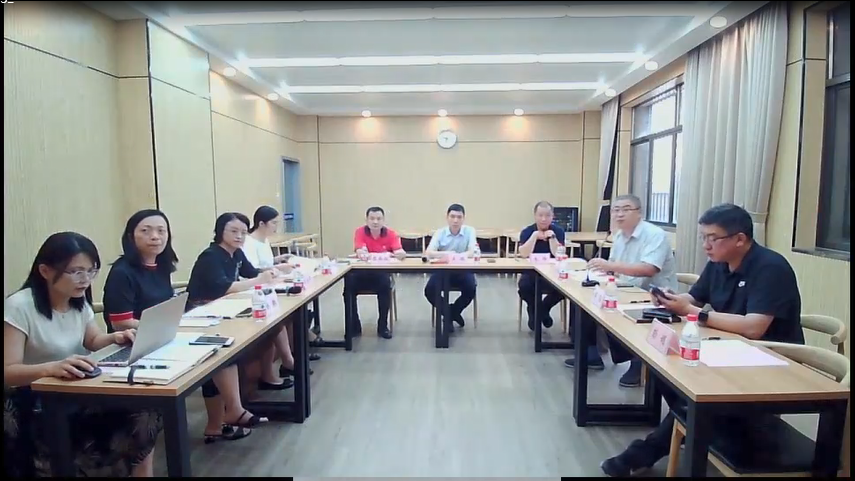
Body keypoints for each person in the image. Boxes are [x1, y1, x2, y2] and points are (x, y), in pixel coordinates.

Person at [600, 204, 804, 477]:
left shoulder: (770, 267)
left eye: (712, 238)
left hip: (769, 363)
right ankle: (703, 425)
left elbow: (754, 327)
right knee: (665, 368)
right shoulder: (718, 263)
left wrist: (696, 313)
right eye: (703, 237)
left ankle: (649, 450)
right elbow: (694, 299)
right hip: (728, 349)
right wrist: (672, 301)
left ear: (739, 239)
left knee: (695, 397)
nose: (706, 245)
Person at [3, 232, 162, 477]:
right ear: (45, 271)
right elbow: (8, 371)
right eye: (76, 272)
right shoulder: (19, 307)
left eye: (91, 271)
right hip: (34, 398)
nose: (85, 279)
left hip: (74, 388)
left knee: (146, 410)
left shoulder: (77, 300)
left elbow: (92, 340)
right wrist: (50, 368)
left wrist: (115, 338)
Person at [101, 209, 267, 444]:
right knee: (211, 353)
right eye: (146, 231)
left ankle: (225, 417)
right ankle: (229, 414)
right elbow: (120, 322)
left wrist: (172, 324)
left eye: (161, 231)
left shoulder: (161, 267)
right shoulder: (122, 272)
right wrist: (167, 327)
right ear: (130, 236)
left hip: (162, 336)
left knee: (219, 348)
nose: (155, 236)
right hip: (134, 345)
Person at [186, 213, 300, 430]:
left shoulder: (236, 253)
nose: (239, 236)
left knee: (272, 323)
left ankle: (277, 368)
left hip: (225, 309)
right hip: (202, 313)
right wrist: (258, 280)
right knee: (230, 350)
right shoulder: (211, 256)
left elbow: (251, 273)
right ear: (220, 232)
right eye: (234, 231)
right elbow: (226, 287)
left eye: (243, 232)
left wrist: (274, 270)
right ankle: (236, 405)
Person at [566, 194, 678, 384]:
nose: (619, 214)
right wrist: (601, 272)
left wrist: (610, 267)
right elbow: (614, 267)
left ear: (639, 213)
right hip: (625, 290)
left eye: (626, 209)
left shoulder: (655, 235)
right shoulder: (619, 236)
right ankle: (591, 355)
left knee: (614, 313)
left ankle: (638, 363)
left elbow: (649, 268)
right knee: (584, 303)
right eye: (616, 210)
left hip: (653, 297)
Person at [345, 206, 406, 340]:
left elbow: (400, 252)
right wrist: (362, 253)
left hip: (381, 273)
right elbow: (359, 250)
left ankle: (382, 325)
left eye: (378, 219)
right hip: (362, 273)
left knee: (385, 285)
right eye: (372, 218)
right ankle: (354, 325)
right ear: (366, 220)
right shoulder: (360, 232)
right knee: (348, 286)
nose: (375, 222)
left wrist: (399, 253)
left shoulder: (390, 233)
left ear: (383, 220)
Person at [424, 203, 478, 331]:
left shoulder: (470, 231)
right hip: (442, 270)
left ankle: (451, 313)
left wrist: (457, 257)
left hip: (462, 270)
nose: (455, 220)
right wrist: (447, 254)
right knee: (429, 290)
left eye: (459, 217)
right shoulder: (440, 232)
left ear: (463, 218)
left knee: (471, 288)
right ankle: (450, 314)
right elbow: (429, 252)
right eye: (452, 216)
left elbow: (472, 252)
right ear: (447, 217)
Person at [518, 201, 566, 330]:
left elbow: (558, 254)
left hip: (553, 272)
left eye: (547, 215)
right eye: (540, 215)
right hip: (531, 272)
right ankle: (536, 311)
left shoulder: (558, 231)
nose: (544, 219)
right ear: (535, 216)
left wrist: (552, 238)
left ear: (552, 216)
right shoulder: (527, 231)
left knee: (565, 289)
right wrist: (534, 236)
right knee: (524, 287)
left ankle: (542, 310)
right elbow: (523, 253)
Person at [242, 205, 293, 273]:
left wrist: (277, 259)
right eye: (274, 223)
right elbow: (253, 270)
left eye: (277, 223)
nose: (276, 226)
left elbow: (264, 262)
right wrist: (278, 267)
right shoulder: (249, 242)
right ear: (261, 224)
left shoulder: (265, 240)